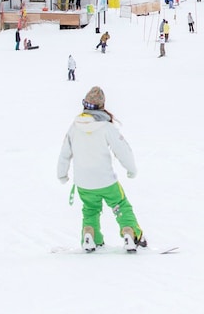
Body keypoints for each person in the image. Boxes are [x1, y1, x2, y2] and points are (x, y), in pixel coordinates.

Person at [56, 87, 146, 252]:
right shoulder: (106, 127)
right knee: (120, 204)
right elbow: (122, 150)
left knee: (90, 209)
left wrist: (62, 174)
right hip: (106, 180)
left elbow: (64, 152)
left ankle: (90, 236)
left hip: (83, 183)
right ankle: (130, 233)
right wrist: (131, 169)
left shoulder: (74, 127)